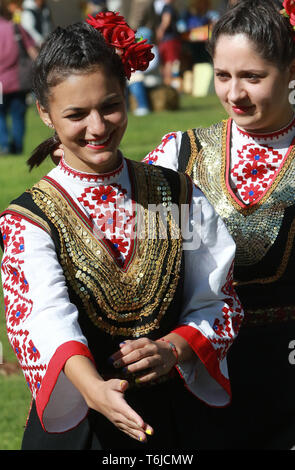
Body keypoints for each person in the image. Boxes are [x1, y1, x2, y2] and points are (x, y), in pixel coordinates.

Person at [0, 12, 242, 450]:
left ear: (125, 95)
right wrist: (93, 388)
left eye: (109, 106)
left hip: (174, 416)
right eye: (76, 114)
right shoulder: (30, 219)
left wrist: (174, 348)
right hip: (83, 423)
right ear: (45, 113)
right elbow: (42, 317)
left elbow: (219, 297)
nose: (98, 127)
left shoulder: (173, 194)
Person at [142, 0, 295, 450]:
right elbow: (145, 263)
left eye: (253, 77)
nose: (235, 94)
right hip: (199, 369)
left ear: (291, 71)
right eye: (223, 76)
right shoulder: (180, 154)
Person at [0, 0, 38, 155]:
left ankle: (4, 145)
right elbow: (32, 51)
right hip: (18, 80)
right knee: (18, 115)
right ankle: (17, 147)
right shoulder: (16, 28)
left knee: (0, 115)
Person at [156, 0, 182, 87]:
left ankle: (167, 83)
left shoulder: (167, 7)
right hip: (170, 39)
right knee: (169, 62)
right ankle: (168, 83)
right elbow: (166, 21)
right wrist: (160, 33)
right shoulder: (168, 7)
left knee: (167, 62)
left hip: (167, 39)